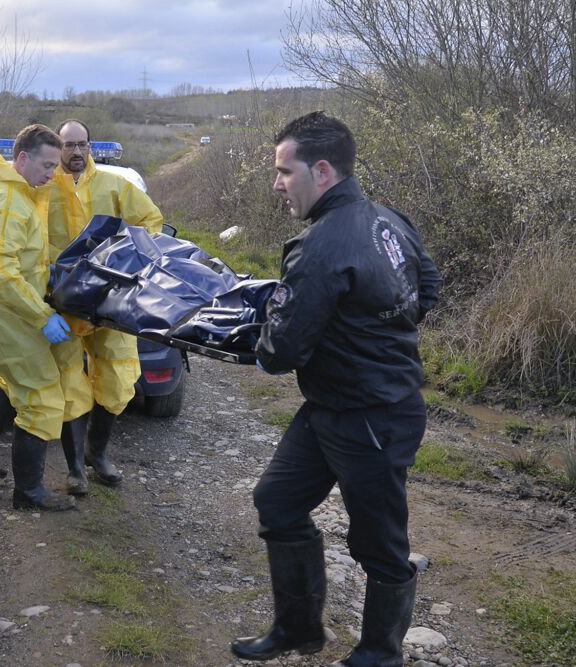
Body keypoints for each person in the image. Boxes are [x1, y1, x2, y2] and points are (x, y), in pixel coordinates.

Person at [230, 112, 442, 666]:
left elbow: (281, 354)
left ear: (321, 171)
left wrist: (263, 339)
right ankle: (298, 630)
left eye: (284, 170)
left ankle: (379, 653)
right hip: (330, 407)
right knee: (277, 501)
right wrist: (376, 322)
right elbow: (428, 287)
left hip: (375, 414)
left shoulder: (322, 245)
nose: (277, 183)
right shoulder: (389, 219)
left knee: (380, 543)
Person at [0, 119, 164, 496]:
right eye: (68, 146)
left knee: (119, 377)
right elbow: (11, 258)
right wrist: (44, 301)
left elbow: (150, 222)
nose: (75, 153)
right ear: (55, 151)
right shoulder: (37, 188)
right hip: (56, 301)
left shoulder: (114, 184)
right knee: (64, 381)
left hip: (111, 298)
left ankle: (97, 454)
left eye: (82, 145)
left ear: (92, 147)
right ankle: (75, 469)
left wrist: (127, 261)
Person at [0, 124, 92, 512]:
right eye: (47, 164)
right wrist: (41, 317)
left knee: (20, 378)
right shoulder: (7, 201)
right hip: (2, 309)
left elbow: (18, 259)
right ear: (22, 159)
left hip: (5, 305)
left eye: (56, 166)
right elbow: (2, 272)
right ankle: (29, 491)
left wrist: (46, 272)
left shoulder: (14, 191)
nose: (53, 173)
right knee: (43, 395)